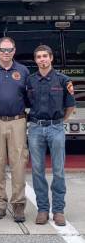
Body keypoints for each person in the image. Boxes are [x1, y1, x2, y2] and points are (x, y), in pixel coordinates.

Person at [26, 45, 76, 226]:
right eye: (38, 57)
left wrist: (61, 121)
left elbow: (70, 105)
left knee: (58, 170)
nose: (42, 59)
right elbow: (26, 103)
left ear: (51, 58)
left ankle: (58, 210)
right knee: (37, 171)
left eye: (45, 56)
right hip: (36, 128)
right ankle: (42, 209)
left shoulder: (63, 80)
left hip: (56, 128)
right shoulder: (30, 81)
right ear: (36, 60)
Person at [0, 37, 29, 222]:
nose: (6, 53)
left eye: (10, 50)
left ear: (14, 51)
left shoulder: (23, 71)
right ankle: (0, 204)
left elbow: (29, 96)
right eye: (3, 50)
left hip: (18, 121)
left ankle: (18, 205)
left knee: (18, 163)